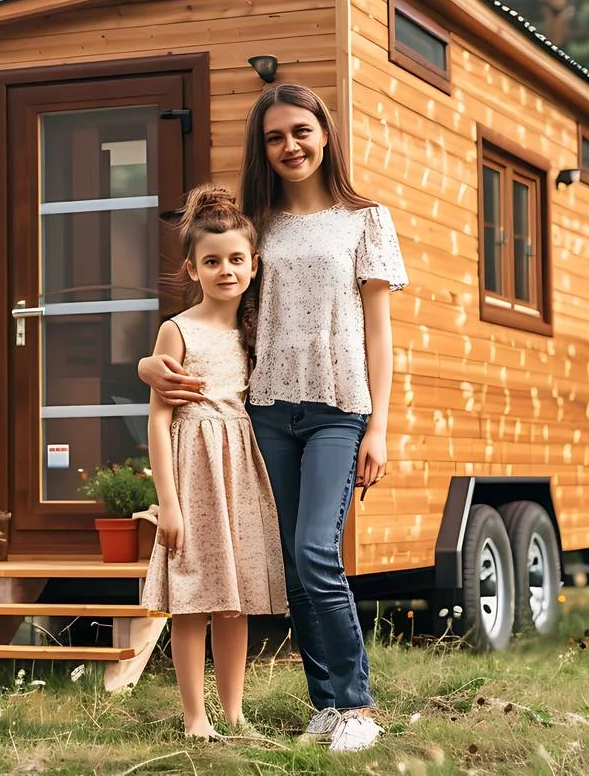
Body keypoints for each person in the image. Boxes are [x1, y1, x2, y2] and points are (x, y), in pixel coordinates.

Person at [138, 84, 408, 754]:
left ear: (324, 134)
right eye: (274, 136)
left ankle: (356, 706)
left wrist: (378, 424)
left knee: (319, 551)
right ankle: (324, 704)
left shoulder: (365, 218)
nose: (290, 145)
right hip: (265, 409)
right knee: (292, 560)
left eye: (301, 130)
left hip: (339, 409)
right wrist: (151, 367)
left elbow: (379, 332)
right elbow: (215, 313)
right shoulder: (258, 223)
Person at [139, 183, 287, 742]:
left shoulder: (258, 330)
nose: (225, 270)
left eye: (235, 260)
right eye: (211, 261)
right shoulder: (176, 330)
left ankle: (234, 712)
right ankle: (195, 717)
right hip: (194, 471)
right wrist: (169, 505)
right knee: (194, 599)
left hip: (240, 472)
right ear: (192, 268)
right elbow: (157, 420)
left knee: (236, 599)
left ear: (253, 265)